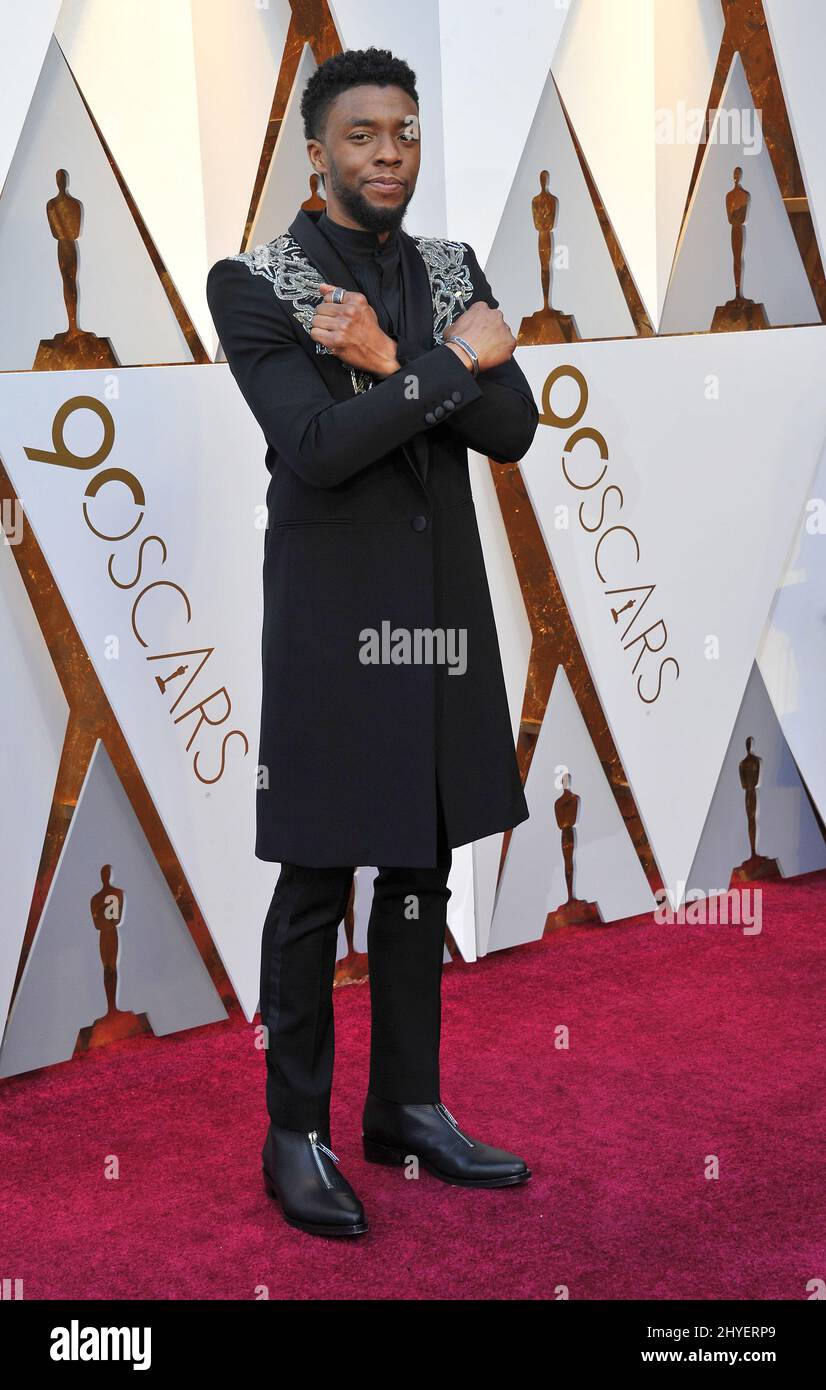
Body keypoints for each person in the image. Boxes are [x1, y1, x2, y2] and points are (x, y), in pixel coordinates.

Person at [206, 47, 539, 1239]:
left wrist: (398, 365)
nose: (387, 152)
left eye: (402, 131)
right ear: (316, 151)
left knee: (419, 865)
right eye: (361, 135)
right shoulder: (256, 280)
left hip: (441, 608)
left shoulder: (448, 268)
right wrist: (448, 367)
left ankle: (405, 1105)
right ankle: (291, 1131)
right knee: (313, 875)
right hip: (332, 621)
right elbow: (317, 447)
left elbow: (514, 429)